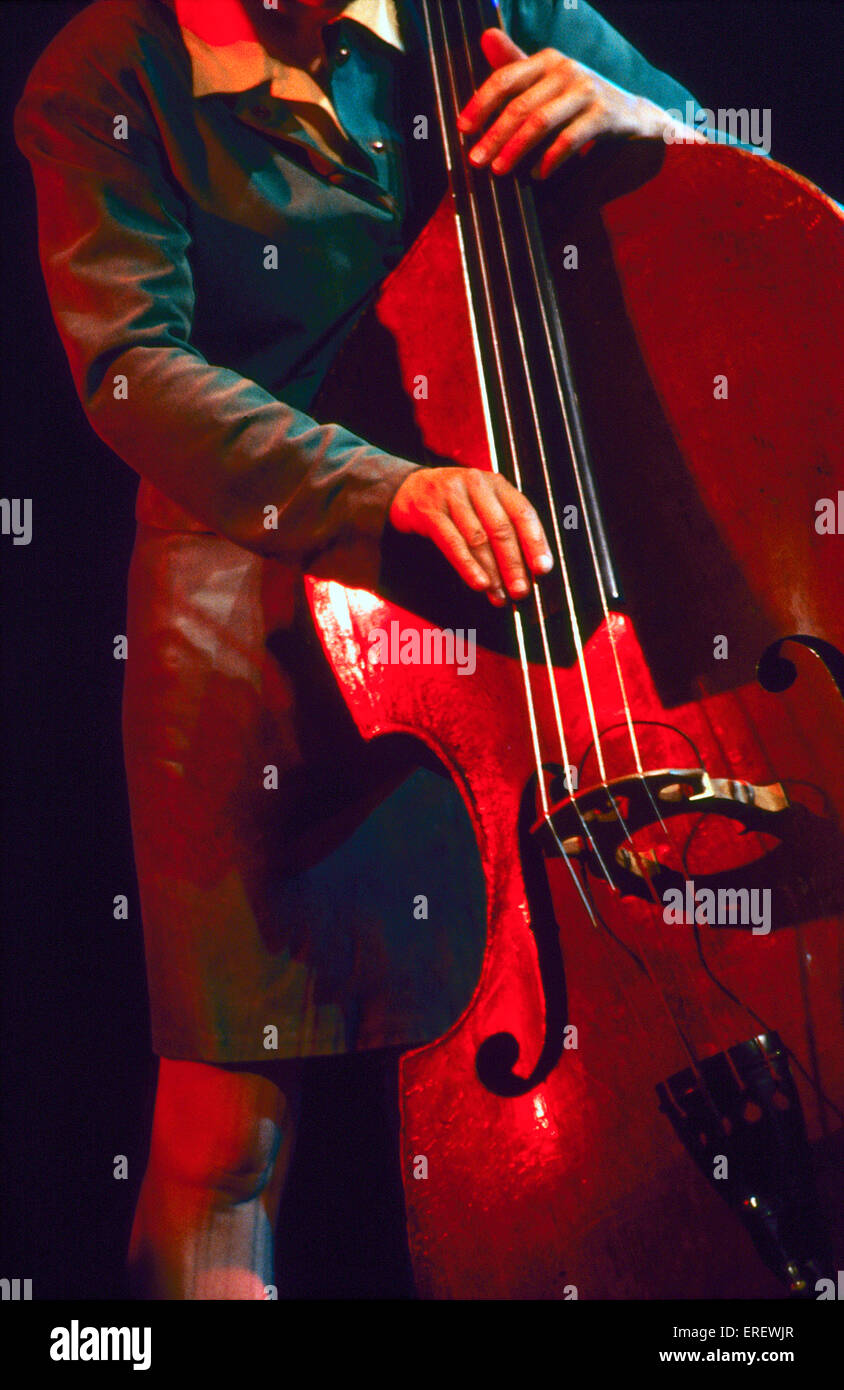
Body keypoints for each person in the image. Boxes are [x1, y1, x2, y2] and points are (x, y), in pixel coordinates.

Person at [15, 0, 701, 1298]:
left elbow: (756, 195)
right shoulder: (109, 68)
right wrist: (385, 487)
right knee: (226, 1146)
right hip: (252, 616)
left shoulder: (498, 11)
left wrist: (648, 126)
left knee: (622, 1038)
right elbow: (132, 370)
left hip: (521, 608)